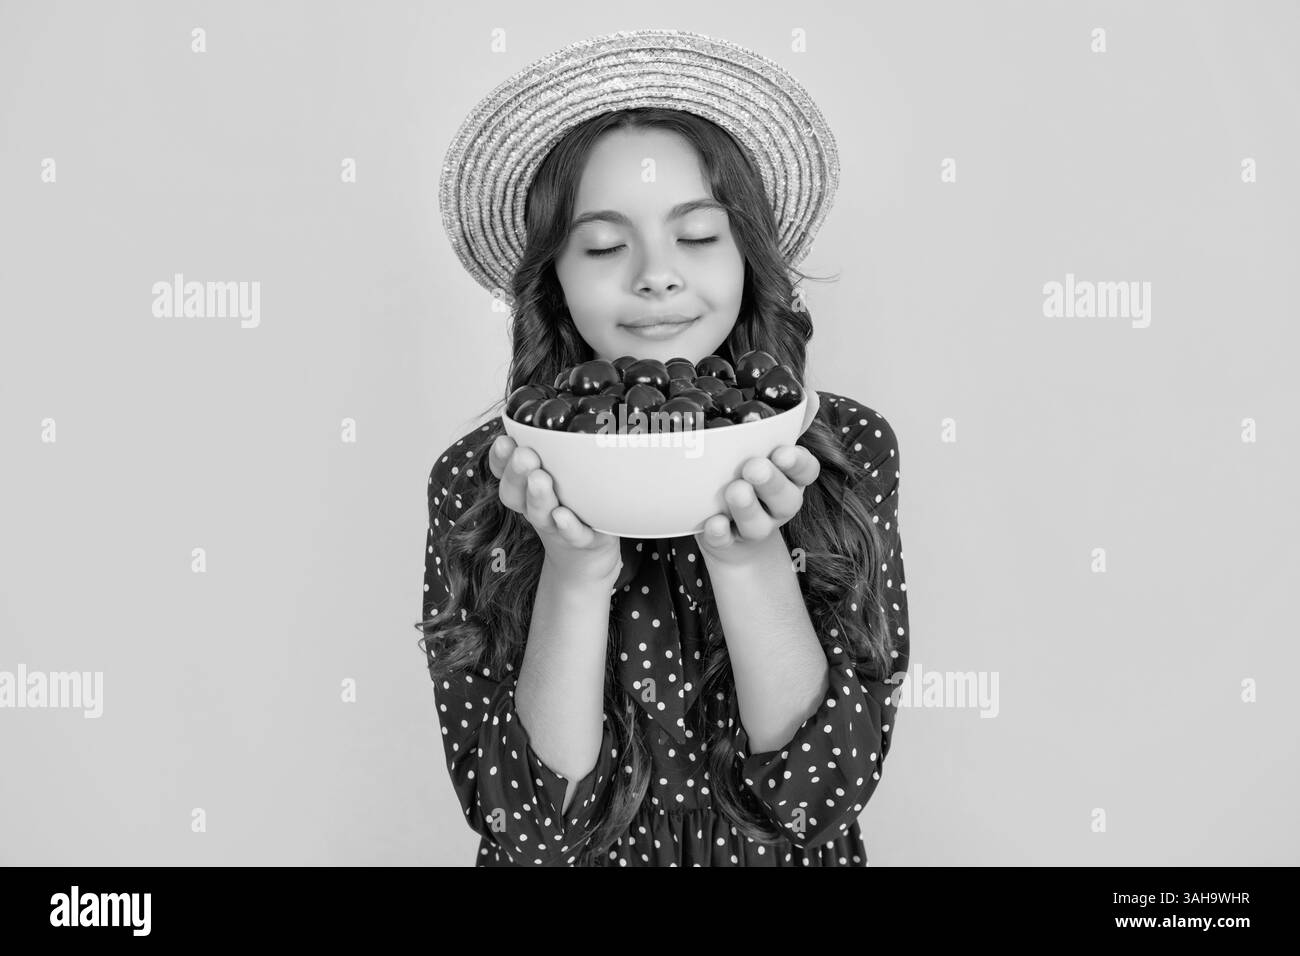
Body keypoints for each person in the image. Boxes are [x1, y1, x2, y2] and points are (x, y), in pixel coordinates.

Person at [416, 29, 910, 867]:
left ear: (748, 255)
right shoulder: (486, 476)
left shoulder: (843, 446)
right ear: (555, 280)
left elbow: (819, 799)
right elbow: (529, 827)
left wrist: (749, 559)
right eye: (605, 245)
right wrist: (574, 572)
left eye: (699, 235)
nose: (656, 275)